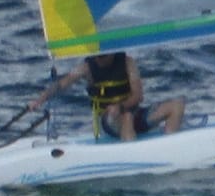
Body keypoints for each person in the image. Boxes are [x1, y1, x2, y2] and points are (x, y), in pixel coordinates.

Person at [27, 51, 186, 141]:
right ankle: (131, 156)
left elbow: (138, 96)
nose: (99, 59)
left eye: (103, 56)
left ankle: (169, 146)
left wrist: (120, 107)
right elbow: (61, 84)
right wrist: (39, 100)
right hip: (108, 122)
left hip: (132, 113)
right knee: (126, 118)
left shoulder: (127, 62)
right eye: (97, 56)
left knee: (177, 105)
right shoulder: (87, 68)